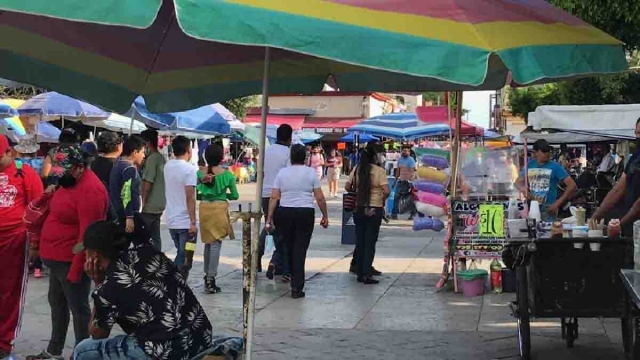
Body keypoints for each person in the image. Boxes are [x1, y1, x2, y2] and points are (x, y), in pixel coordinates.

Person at [73, 221, 215, 360]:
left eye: (86, 253)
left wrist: (98, 283)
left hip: (168, 352)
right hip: (202, 338)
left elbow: (97, 334)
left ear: (94, 256)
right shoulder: (152, 254)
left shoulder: (108, 288)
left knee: (83, 350)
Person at [28, 145, 108, 360]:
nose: (59, 177)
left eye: (63, 172)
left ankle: (82, 353)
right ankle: (54, 351)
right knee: (57, 304)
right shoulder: (68, 182)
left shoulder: (91, 190)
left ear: (80, 168)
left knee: (78, 309)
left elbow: (87, 236)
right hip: (55, 259)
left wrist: (76, 268)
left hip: (70, 260)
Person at [0, 135, 44, 359]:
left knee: (11, 292)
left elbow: (37, 209)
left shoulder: (25, 173)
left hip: (15, 241)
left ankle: (4, 342)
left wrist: (35, 243)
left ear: (10, 153)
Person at [266, 144, 329, 299]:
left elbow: (274, 197)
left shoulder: (282, 173)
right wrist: (325, 215)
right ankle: (297, 287)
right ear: (305, 158)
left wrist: (269, 218)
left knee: (287, 247)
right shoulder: (311, 173)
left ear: (291, 157)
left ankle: (290, 275)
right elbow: (319, 197)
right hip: (305, 213)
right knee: (300, 249)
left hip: (285, 212)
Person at [197, 144, 239, 294]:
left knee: (208, 243)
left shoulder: (199, 173)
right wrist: (222, 195)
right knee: (216, 244)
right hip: (219, 210)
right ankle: (211, 278)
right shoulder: (227, 175)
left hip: (204, 210)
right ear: (222, 158)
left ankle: (207, 276)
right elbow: (235, 196)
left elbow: (197, 195)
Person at [346, 143, 390, 285]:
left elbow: (347, 186)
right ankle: (366, 273)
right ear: (374, 157)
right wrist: (381, 200)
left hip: (359, 207)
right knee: (370, 242)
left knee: (360, 240)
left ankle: (359, 271)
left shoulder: (357, 168)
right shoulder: (379, 171)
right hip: (374, 208)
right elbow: (387, 190)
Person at [593, 118, 640, 235]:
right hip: (632, 223)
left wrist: (621, 223)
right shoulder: (636, 157)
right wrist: (595, 216)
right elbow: (619, 188)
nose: (638, 136)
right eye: (637, 133)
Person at [259, 125, 292, 281]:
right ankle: (279, 264)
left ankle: (261, 257)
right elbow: (289, 176)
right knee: (284, 234)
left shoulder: (267, 151)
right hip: (280, 196)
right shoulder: (288, 153)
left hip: (265, 195)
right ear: (289, 137)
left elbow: (261, 172)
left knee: (272, 228)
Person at [516, 139, 577, 222]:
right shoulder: (529, 165)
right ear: (536, 152)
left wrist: (557, 204)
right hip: (531, 207)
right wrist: (523, 190)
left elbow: (572, 185)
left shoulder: (555, 166)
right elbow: (517, 182)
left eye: (548, 151)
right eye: (544, 151)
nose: (547, 154)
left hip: (549, 209)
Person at [164, 136, 198, 276]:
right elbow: (190, 197)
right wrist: (193, 222)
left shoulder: (167, 166)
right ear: (189, 150)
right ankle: (174, 281)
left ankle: (178, 283)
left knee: (181, 252)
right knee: (186, 256)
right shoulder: (190, 170)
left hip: (172, 220)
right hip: (185, 223)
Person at [109, 135, 146, 235]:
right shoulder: (129, 168)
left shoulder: (117, 164)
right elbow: (126, 192)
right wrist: (129, 217)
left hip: (118, 212)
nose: (144, 156)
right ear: (135, 152)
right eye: (142, 152)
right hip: (127, 216)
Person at [140, 129, 166, 251]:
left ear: (147, 143)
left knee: (144, 238)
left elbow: (148, 183)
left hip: (149, 205)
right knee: (156, 237)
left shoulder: (152, 159)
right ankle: (157, 260)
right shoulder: (160, 157)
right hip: (159, 204)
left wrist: (142, 203)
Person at [391, 145, 417, 220]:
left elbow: (412, 171)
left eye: (406, 150)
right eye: (403, 150)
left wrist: (410, 182)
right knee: (396, 197)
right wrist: (395, 182)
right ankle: (394, 214)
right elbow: (398, 172)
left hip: (410, 182)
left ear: (409, 152)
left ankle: (413, 214)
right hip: (401, 181)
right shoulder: (400, 160)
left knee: (412, 198)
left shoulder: (411, 160)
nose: (404, 152)